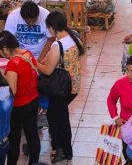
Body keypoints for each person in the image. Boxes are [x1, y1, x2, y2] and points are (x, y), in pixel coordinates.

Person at [36, 11, 85, 163]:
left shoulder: (58, 45)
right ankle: (57, 145)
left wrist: (33, 63)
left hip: (61, 88)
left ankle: (64, 151)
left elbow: (47, 70)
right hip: (73, 84)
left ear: (51, 27)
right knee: (54, 114)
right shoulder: (74, 36)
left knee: (60, 120)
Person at [0, 32, 40, 165]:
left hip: (19, 106)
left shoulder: (13, 64)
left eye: (1, 52)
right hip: (33, 99)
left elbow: (12, 90)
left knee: (14, 139)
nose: (1, 55)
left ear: (5, 49)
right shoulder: (27, 54)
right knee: (32, 134)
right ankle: (34, 162)